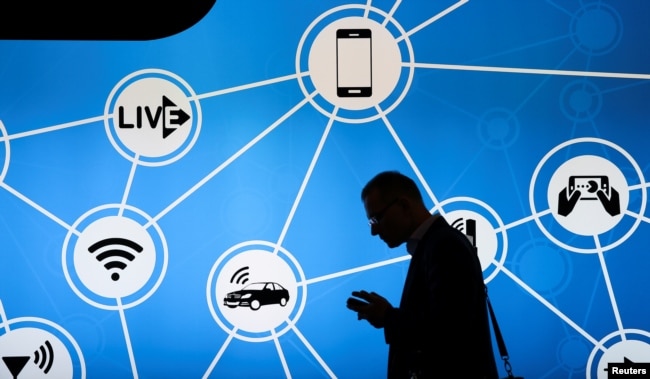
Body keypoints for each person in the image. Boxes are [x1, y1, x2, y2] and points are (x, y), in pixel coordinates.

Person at [346, 171, 498, 378]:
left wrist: (388, 317)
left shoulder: (444, 245)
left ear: (404, 205)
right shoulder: (436, 244)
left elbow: (449, 331)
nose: (374, 231)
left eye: (376, 219)